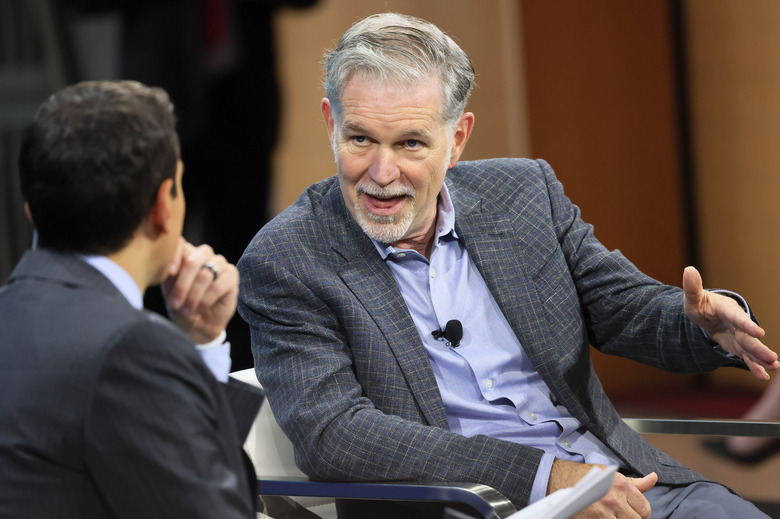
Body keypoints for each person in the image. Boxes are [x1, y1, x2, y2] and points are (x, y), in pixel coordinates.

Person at [237, 12, 780, 519]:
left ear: (457, 140)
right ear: (330, 123)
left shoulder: (521, 195)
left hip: (627, 487)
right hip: (473, 506)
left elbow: (621, 307)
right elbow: (336, 435)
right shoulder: (288, 260)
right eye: (360, 139)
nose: (382, 173)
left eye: (410, 144)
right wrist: (547, 479)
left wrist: (700, 325)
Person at [0, 80, 261, 518]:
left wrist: (198, 340)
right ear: (163, 207)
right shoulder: (133, 350)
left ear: (31, 210)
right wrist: (198, 354)